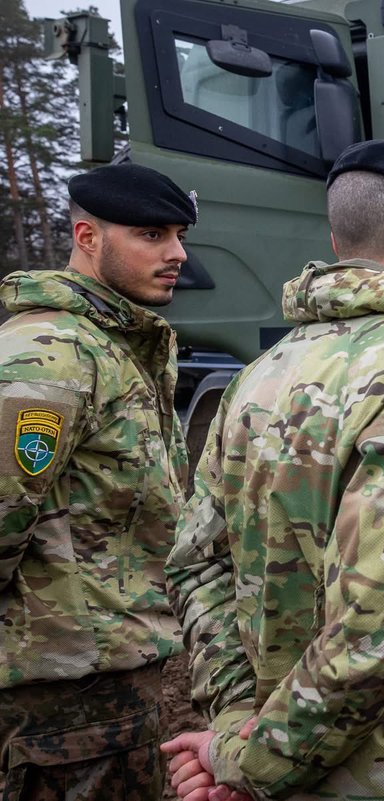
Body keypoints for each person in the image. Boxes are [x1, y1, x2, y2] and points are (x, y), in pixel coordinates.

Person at [161, 140, 384, 801]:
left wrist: (238, 733)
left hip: (286, 759)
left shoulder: (257, 377)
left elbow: (195, 562)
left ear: (337, 237)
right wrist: (256, 759)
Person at [0, 163, 194, 799]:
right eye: (151, 234)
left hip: (105, 685)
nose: (176, 254)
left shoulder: (112, 343)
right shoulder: (50, 352)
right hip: (57, 699)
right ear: (88, 238)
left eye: (178, 235)